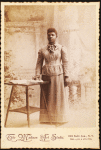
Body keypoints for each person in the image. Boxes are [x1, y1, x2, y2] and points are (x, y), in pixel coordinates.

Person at [33, 28, 69, 124]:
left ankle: (59, 119)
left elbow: (65, 63)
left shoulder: (61, 48)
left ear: (56, 36)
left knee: (57, 97)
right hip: (46, 76)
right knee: (47, 97)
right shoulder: (42, 49)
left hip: (58, 75)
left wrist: (67, 76)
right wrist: (37, 74)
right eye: (49, 35)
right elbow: (39, 64)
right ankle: (46, 119)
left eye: (52, 34)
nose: (50, 36)